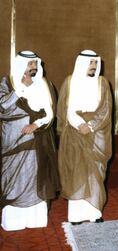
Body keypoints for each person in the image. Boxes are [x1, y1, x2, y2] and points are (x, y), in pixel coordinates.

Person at [0, 51, 60, 231]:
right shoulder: (7, 83)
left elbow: (50, 113)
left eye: (35, 64)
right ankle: (13, 220)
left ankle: (35, 217)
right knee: (13, 178)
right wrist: (21, 89)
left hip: (37, 140)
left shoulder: (43, 84)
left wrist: (36, 125)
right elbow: (2, 108)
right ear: (21, 65)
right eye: (30, 64)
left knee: (35, 176)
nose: (33, 68)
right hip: (12, 141)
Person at [57, 50, 112, 225]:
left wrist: (90, 126)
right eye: (91, 63)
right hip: (75, 132)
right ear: (82, 63)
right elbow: (65, 108)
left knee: (95, 172)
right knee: (76, 172)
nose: (94, 67)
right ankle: (75, 215)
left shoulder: (102, 82)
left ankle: (94, 212)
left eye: (95, 63)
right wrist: (79, 124)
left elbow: (106, 109)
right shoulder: (69, 82)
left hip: (97, 134)